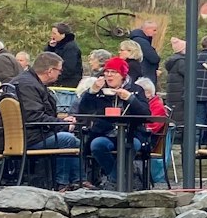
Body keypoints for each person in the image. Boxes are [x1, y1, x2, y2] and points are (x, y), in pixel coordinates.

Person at [14, 54, 83, 189]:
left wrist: (60, 121)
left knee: (76, 142)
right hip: (27, 137)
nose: (60, 74)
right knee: (68, 139)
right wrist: (62, 124)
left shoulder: (26, 81)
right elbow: (33, 117)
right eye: (60, 70)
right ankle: (62, 184)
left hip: (25, 133)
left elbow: (34, 114)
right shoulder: (28, 85)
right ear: (50, 71)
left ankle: (78, 181)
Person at [74, 59, 135, 188]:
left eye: (114, 72)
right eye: (107, 72)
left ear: (123, 75)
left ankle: (113, 181)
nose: (109, 75)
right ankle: (120, 179)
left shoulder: (135, 89)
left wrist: (130, 98)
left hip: (131, 132)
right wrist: (92, 92)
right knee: (97, 145)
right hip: (105, 133)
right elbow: (83, 110)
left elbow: (145, 112)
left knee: (132, 144)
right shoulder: (101, 90)